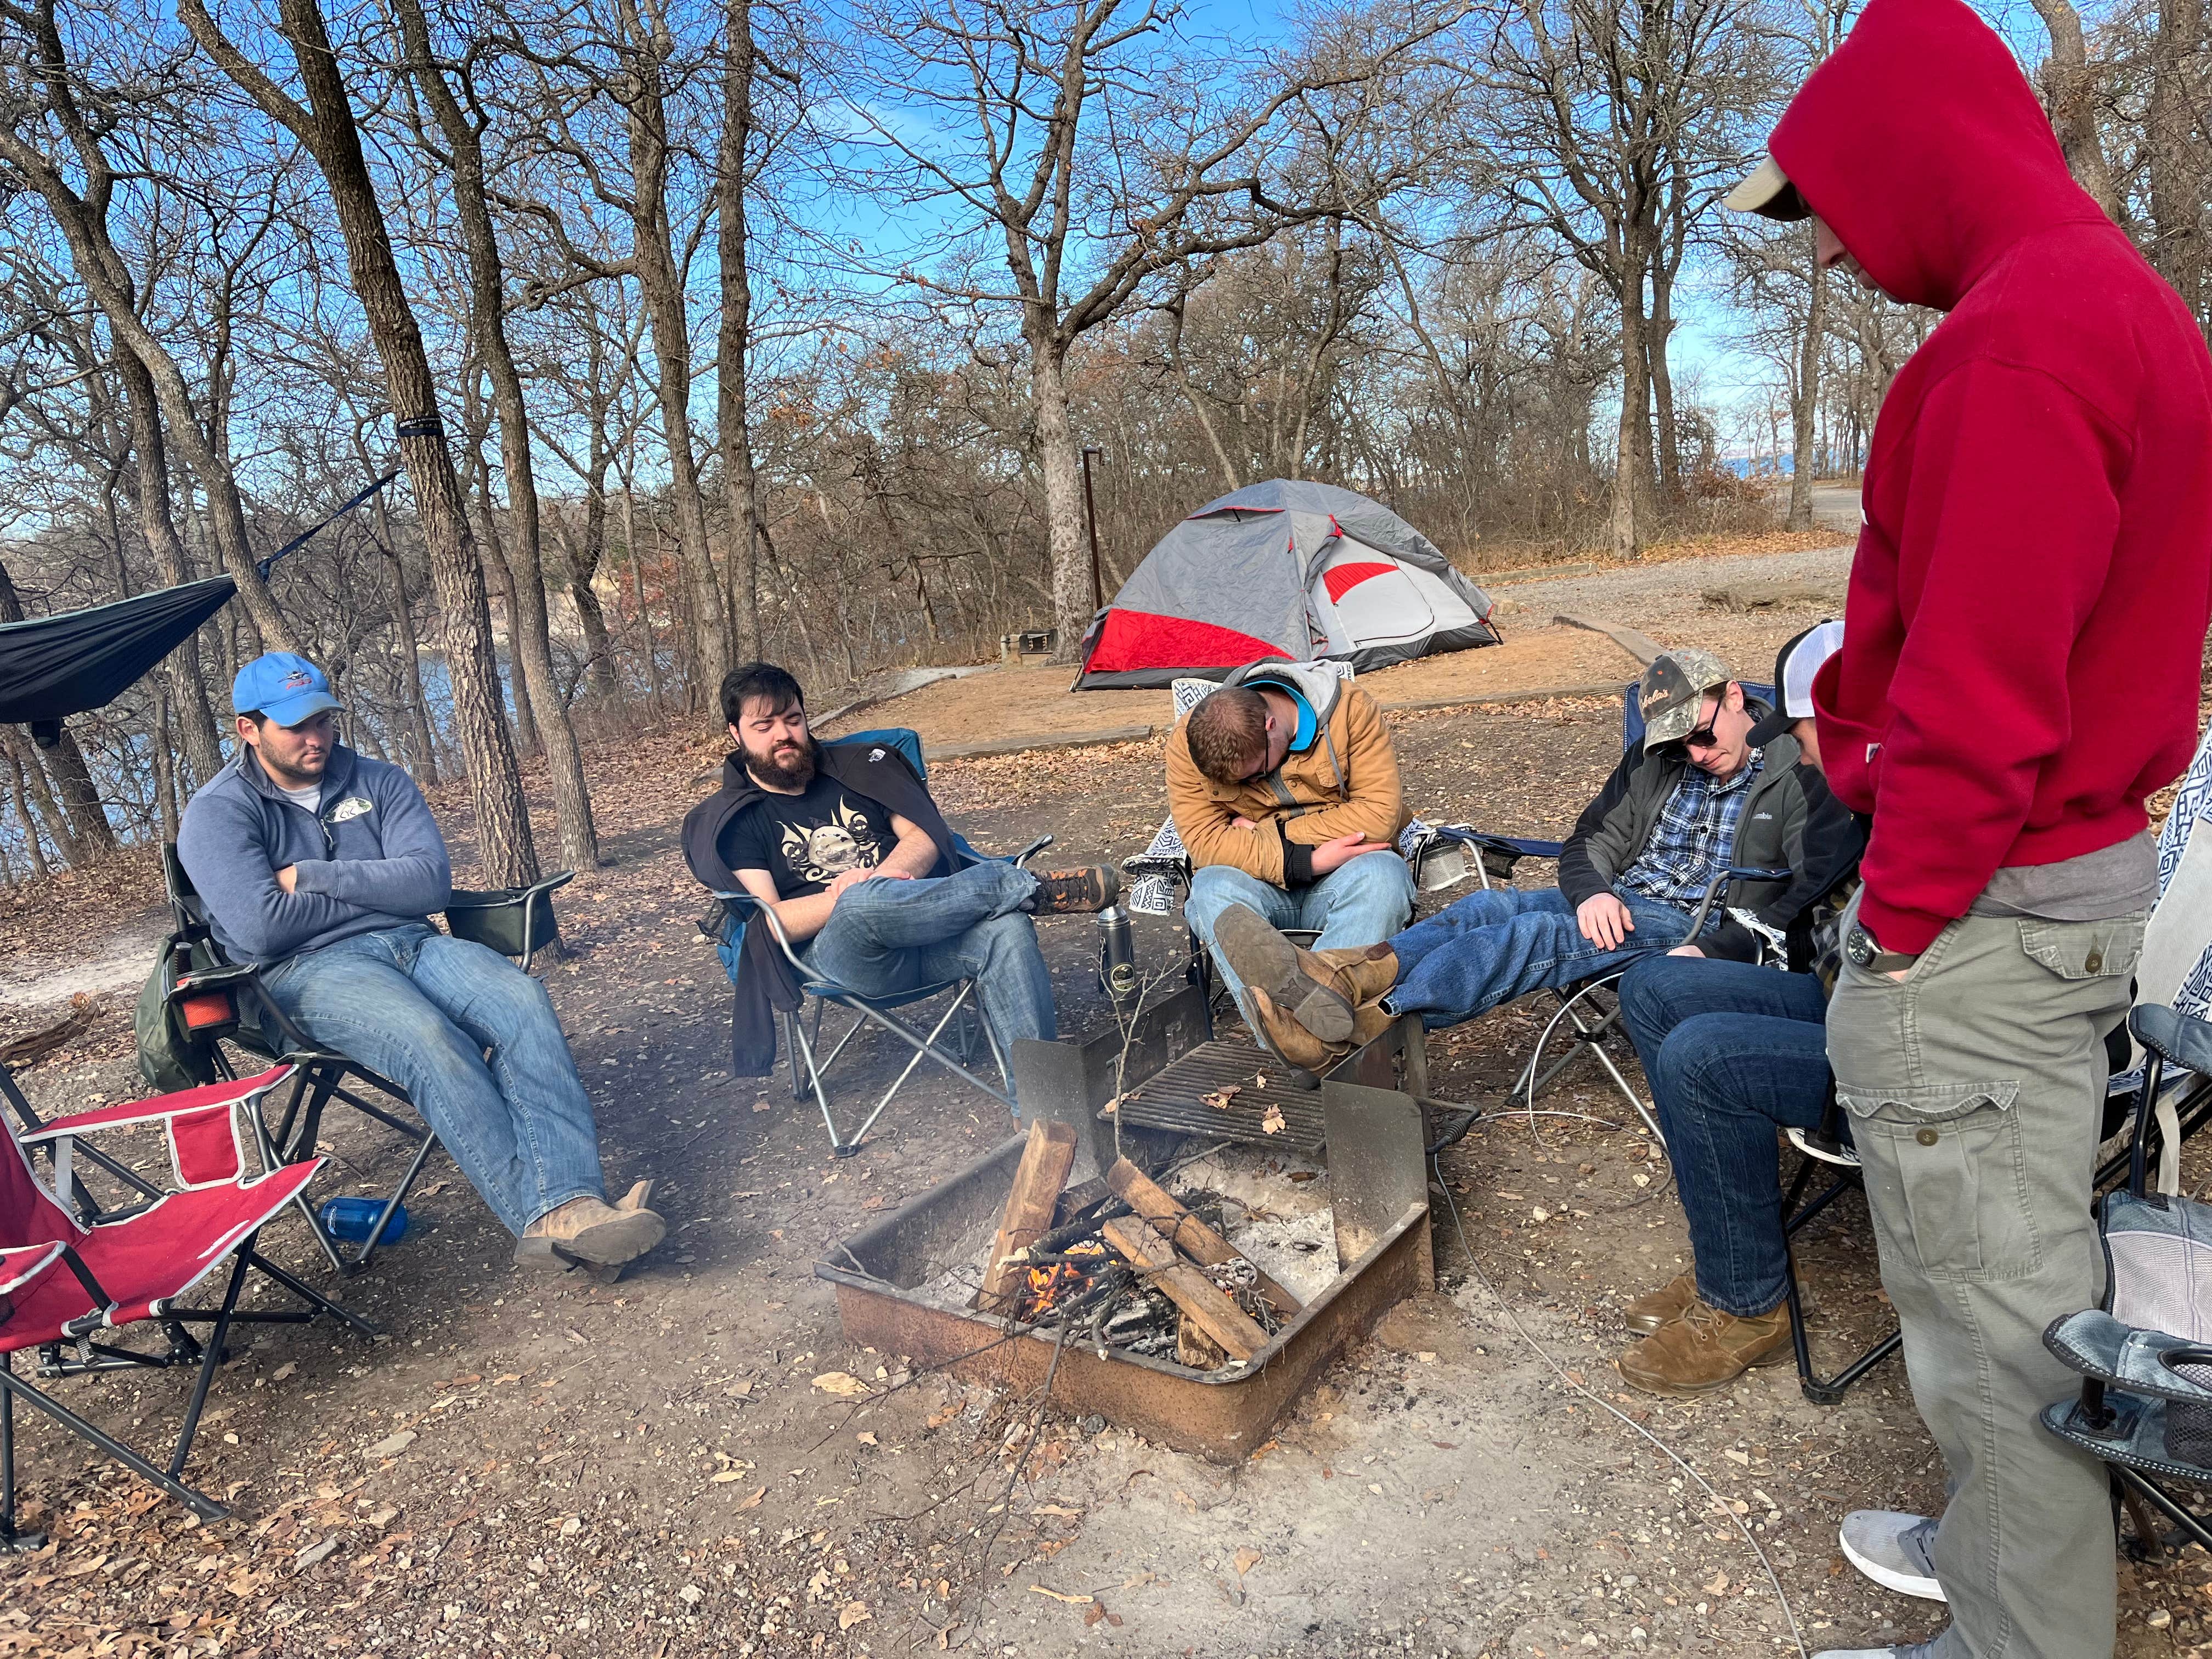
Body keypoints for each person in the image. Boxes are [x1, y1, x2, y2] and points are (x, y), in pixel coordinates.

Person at [1727, 0, 2212, 1653]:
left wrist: (1899, 920)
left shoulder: (2019, 341)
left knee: (1991, 1323)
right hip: (2058, 878)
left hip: (1986, 907)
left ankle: (2018, 1634)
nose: (1845, 256)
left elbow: (1984, 697)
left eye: (1840, 212)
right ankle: (2004, 1560)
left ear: (1913, 159)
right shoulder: (2116, 308)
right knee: (2012, 1284)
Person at [177, 652, 664, 1272]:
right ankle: (559, 1216)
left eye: (323, 720)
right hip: (303, 975)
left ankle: (567, 1206)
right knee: (426, 1034)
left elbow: (430, 885)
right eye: (295, 726)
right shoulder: (218, 812)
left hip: (416, 943)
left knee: (520, 999)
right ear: (249, 729)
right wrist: (378, 887)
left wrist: (312, 876)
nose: (315, 737)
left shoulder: (379, 781)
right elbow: (261, 927)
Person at [1210, 648, 1861, 1073]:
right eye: (1678, 742)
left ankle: (1356, 1023)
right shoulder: (1658, 759)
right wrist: (1593, 891)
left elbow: (1806, 895)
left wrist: (1719, 950)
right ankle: (1335, 974)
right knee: (1489, 906)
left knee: (1535, 933)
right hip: (1627, 900)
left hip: (1698, 922)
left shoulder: (1800, 766)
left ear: (1736, 700)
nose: (1693, 752)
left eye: (1702, 733)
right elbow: (1588, 841)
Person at [1610, 623, 1852, 1398]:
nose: (1798, 753)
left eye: (1805, 734)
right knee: (1652, 986)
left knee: (1702, 1057)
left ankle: (1747, 1305)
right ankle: (1729, 1249)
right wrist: (1723, 950)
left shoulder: (1918, 800)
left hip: (1905, 1037)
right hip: (1843, 992)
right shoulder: (1850, 792)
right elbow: (1805, 900)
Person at [681, 664, 1119, 1084]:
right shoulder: (735, 820)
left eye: (793, 720)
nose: (784, 735)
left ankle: (1044, 1108)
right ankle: (1021, 886)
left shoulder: (857, 772)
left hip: (931, 929)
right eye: (765, 726)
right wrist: (844, 895)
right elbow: (771, 922)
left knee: (1007, 928)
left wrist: (880, 879)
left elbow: (924, 836)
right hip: (843, 958)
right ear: (736, 734)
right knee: (858, 900)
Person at [1168, 662, 1414, 1022]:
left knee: (1385, 878)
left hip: (1346, 874)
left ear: (1271, 726)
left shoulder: (1351, 710)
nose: (1252, 786)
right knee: (1209, 891)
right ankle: (1288, 1030)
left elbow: (1378, 816)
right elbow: (1205, 843)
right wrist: (1304, 862)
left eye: (1255, 773)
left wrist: (1272, 831)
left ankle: (1315, 1031)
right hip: (1257, 885)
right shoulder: (1186, 741)